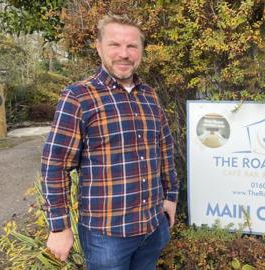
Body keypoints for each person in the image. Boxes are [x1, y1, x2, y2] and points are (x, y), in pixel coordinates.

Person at [41, 13, 179, 270]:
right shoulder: (78, 97)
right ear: (98, 47)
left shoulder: (149, 96)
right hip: (106, 237)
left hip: (152, 227)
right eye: (115, 45)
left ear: (141, 50)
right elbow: (55, 165)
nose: (124, 54)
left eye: (132, 46)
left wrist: (170, 196)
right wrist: (59, 228)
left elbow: (164, 148)